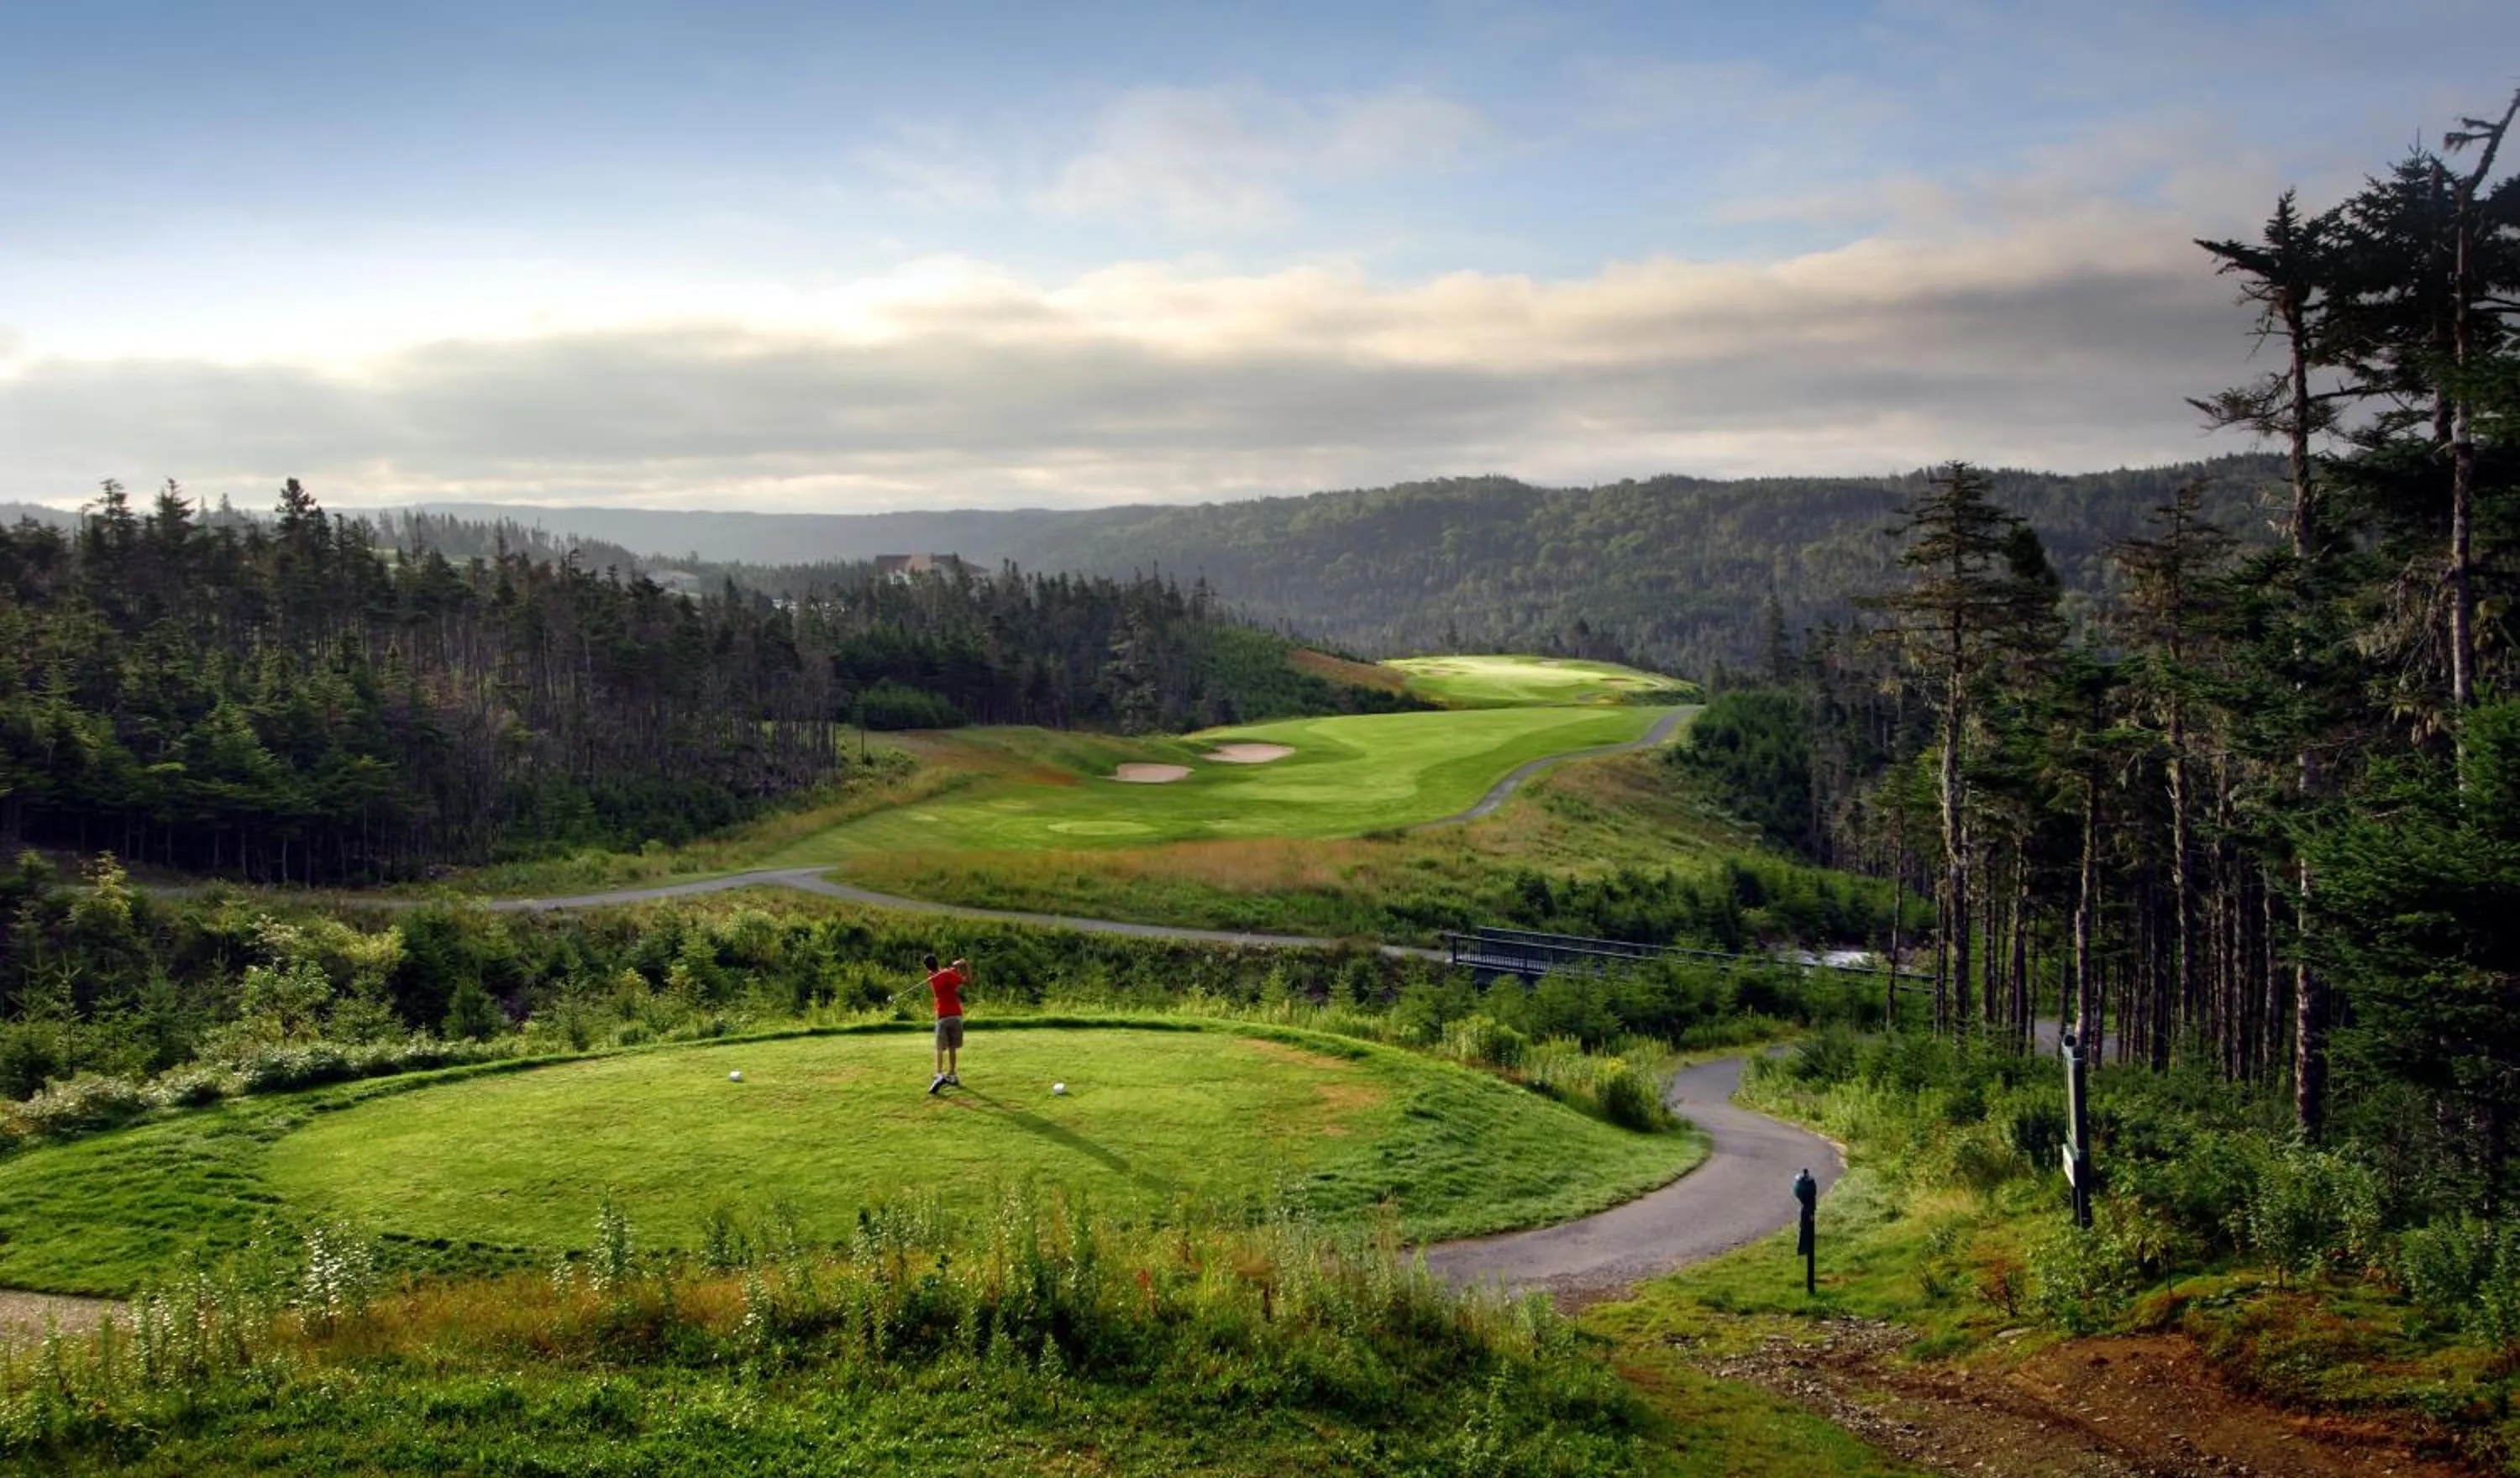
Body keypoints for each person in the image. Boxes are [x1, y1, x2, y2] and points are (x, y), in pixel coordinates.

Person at [922, 952, 968, 1094]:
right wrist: (960, 967)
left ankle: (939, 1074)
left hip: (943, 1015)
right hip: (956, 1015)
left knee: (940, 1048)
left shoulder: (933, 976)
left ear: (927, 967)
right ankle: (952, 1074)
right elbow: (964, 981)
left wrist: (954, 968)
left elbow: (954, 978)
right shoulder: (943, 974)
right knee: (952, 1047)